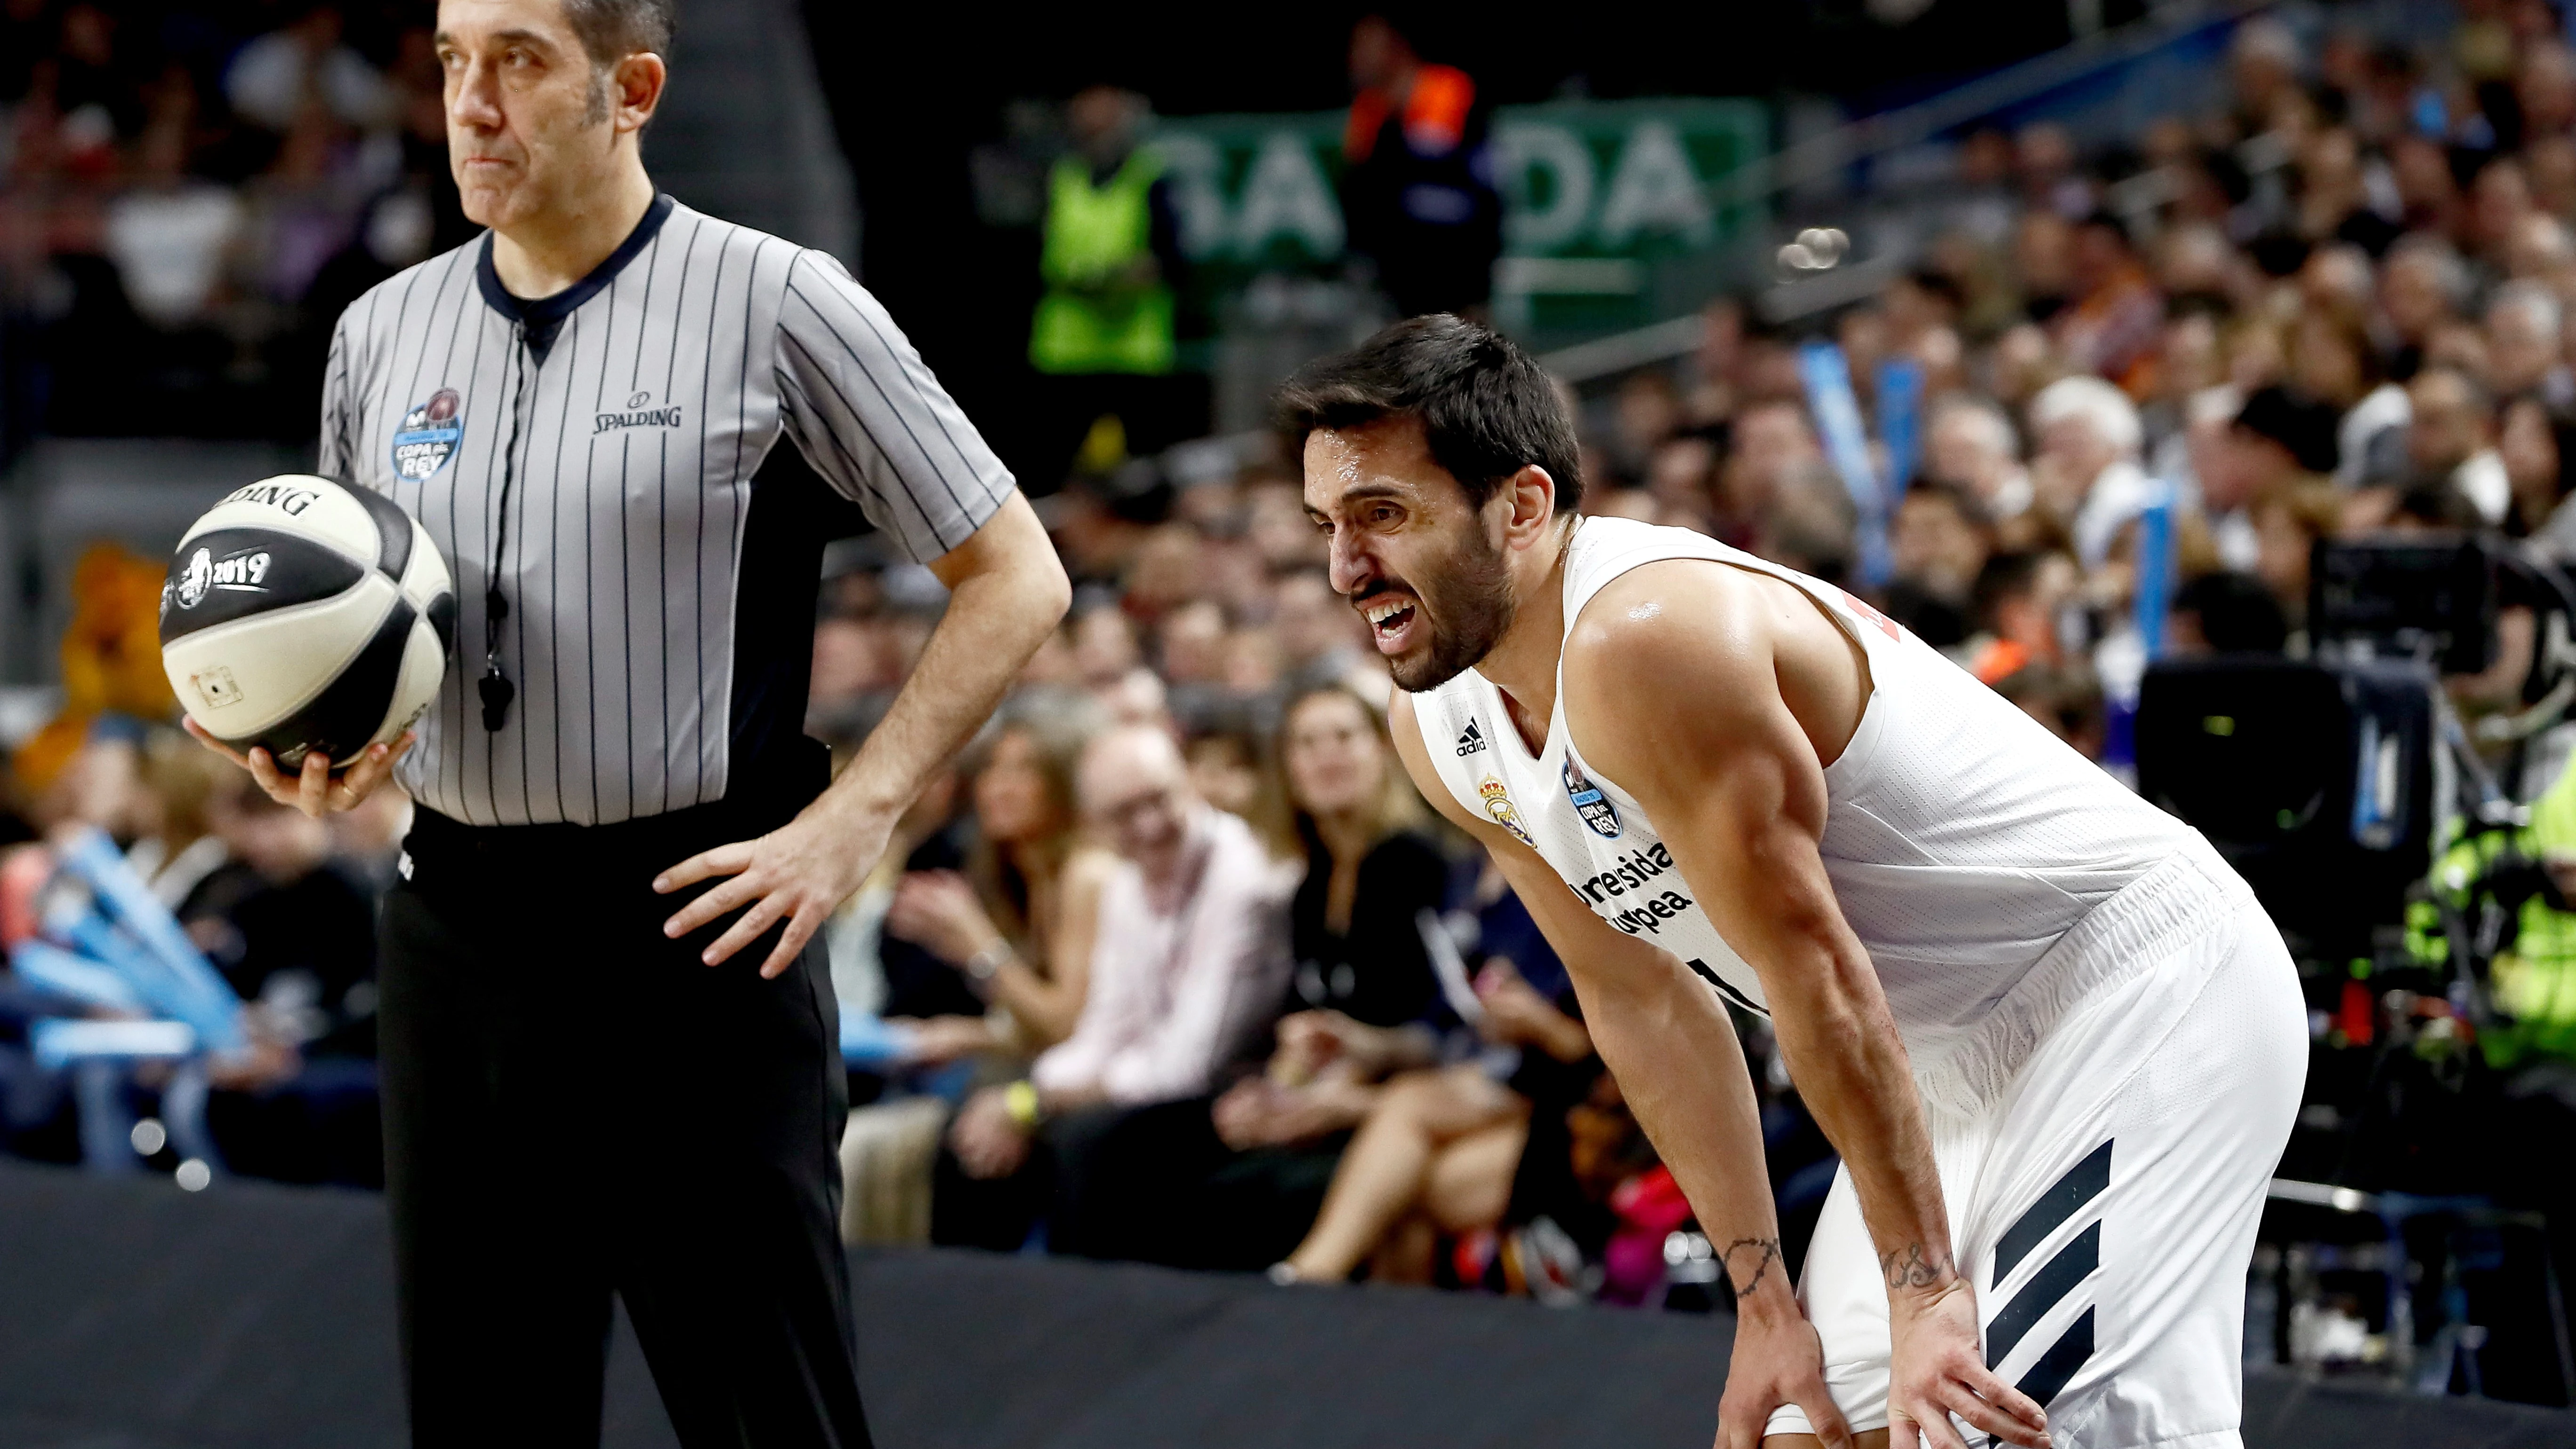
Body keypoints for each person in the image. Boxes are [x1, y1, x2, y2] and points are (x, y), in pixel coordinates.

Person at [185, 1, 1071, 1442]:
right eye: (453, 59)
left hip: (698, 933)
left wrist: (856, 816)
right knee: (483, 1418)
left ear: (632, 88)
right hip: (452, 931)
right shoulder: (376, 334)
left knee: (768, 1413)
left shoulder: (780, 302)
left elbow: (1016, 572)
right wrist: (306, 749)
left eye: (521, 60)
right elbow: (362, 632)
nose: (471, 101)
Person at [1284, 316, 2302, 1449]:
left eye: (1383, 514)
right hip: (1932, 1064)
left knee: (2010, 1427)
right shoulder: (1438, 720)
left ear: (1521, 506)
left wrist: (1921, 1287)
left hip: (2128, 990)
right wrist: (1760, 1302)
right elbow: (1642, 1001)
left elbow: (1811, 966)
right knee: (1810, 1429)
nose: (1343, 567)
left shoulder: (1644, 634)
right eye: (1326, 524)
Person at [1046, 683, 1451, 1267]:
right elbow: (1296, 1022)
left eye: (1343, 737)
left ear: (1382, 751)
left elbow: (1440, 1023)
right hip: (1308, 1091)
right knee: (1115, 1150)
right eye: (1307, 744)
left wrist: (1344, 1082)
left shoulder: (1416, 863)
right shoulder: (1308, 883)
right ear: (1287, 768)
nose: (1327, 757)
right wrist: (1274, 1087)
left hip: (1387, 1099)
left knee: (1225, 1190)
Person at [934, 724, 1292, 1249]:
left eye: (1159, 800)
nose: (1149, 826)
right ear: (1094, 823)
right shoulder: (1128, 883)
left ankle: (1089, 1319)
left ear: (1190, 784)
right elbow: (1106, 1028)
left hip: (1231, 1090)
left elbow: (1189, 1065)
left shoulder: (1240, 881)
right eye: (1124, 813)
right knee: (970, 1131)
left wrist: (1038, 1103)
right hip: (1151, 1084)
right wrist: (1019, 1103)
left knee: (1084, 1143)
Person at [1028, 84, 1194, 486]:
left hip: (1133, 355)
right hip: (1067, 355)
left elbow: (1175, 261)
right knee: (1056, 474)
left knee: (1142, 476)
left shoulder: (1152, 178)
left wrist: (1128, 277)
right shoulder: (1061, 179)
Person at [1339, 14, 1502, 321]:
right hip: (1395, 281)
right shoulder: (1368, 110)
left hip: (1455, 270)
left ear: (1395, 48)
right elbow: (1358, 193)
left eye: (1365, 47)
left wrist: (1480, 279)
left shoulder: (1449, 91)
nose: (1356, 58)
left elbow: (1485, 187)